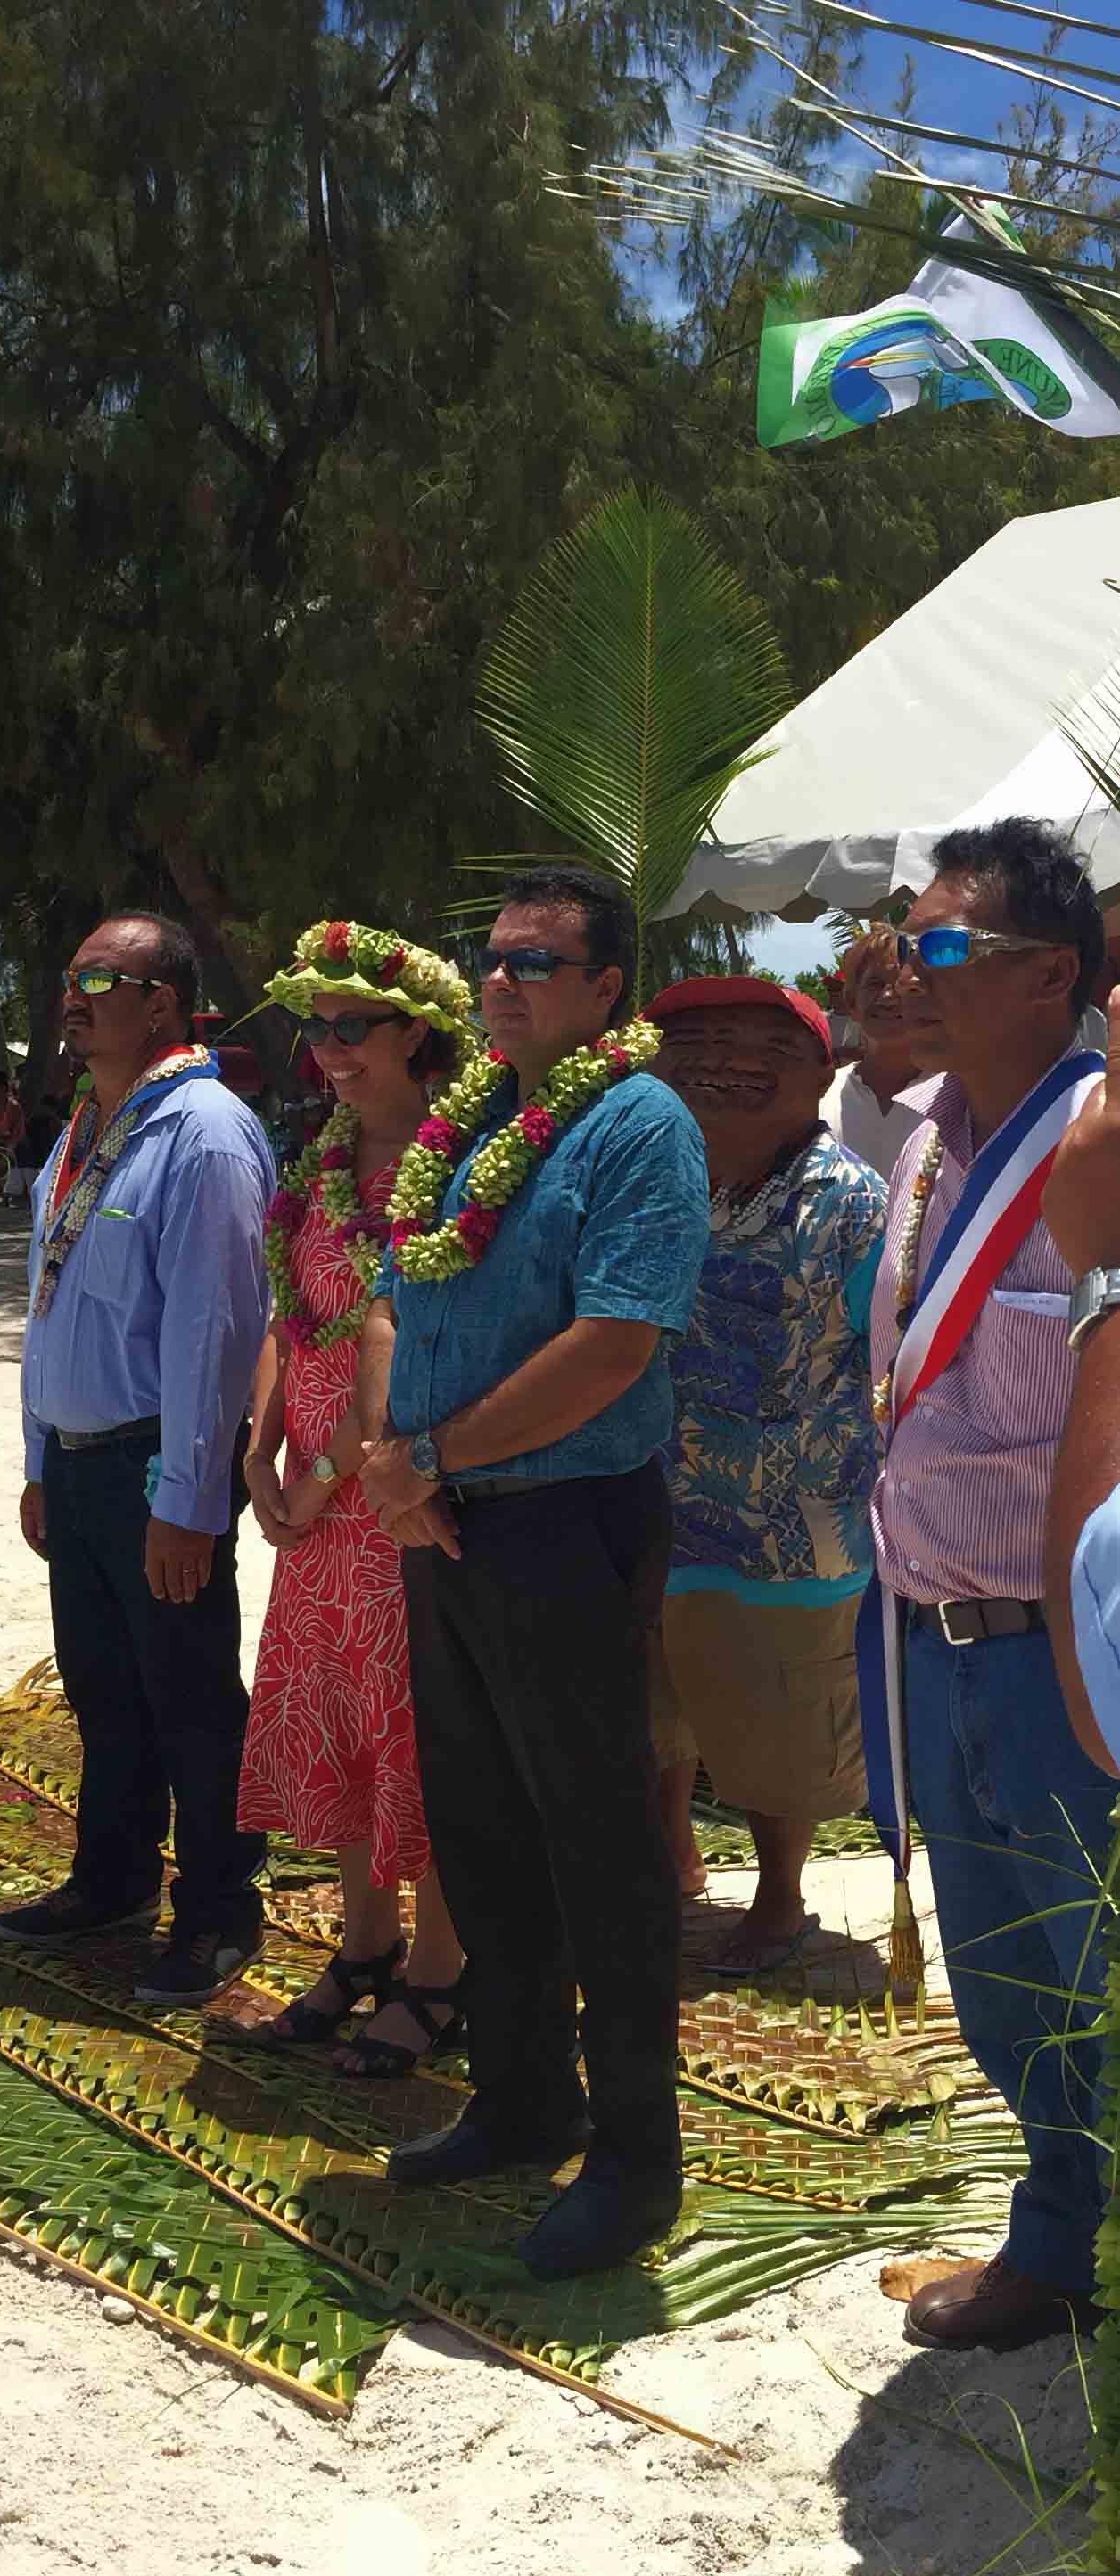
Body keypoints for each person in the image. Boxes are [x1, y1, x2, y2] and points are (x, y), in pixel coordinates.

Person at [353, 865, 706, 2280]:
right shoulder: (468, 1122)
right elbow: (395, 1294)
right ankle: (515, 2098)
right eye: (487, 960)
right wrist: (391, 1458)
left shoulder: (639, 1123)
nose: (497, 982)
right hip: (440, 1513)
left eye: (534, 964)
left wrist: (426, 1457)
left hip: (564, 1515)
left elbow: (613, 1343)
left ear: (606, 988)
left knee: (595, 1842)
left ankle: (631, 2159)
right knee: (479, 1820)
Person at [861, 820, 1120, 2352]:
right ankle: (1051, 2234)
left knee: (1097, 1960)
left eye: (942, 944)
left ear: (1043, 976)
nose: (905, 963)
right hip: (931, 1633)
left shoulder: (1099, 1146)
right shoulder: (916, 1146)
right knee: (1000, 1974)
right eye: (906, 934)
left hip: (1061, 1659)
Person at [0, 915, 277, 2004]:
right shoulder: (84, 1129)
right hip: (77, 1460)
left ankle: (217, 1910)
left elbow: (217, 1331)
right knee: (102, 1686)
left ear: (163, 1002)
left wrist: (192, 1500)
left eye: (99, 978)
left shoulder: (203, 1133)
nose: (74, 995)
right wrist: (35, 1460)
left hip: (157, 1465)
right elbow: (54, 1305)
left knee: (190, 1696)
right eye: (69, 976)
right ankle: (111, 1877)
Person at [234, 925, 470, 2077]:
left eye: (346, 1026)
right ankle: (362, 1944)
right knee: (332, 1706)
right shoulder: (317, 1161)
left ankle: (440, 1969)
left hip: (389, 1482)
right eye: (310, 1027)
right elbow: (293, 1312)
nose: (321, 1048)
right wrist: (257, 1444)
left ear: (412, 1031)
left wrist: (325, 1467)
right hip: (310, 1497)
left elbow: (401, 1337)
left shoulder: (456, 1161)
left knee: (409, 1722)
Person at [643, 975, 885, 1977]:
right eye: (695, 1039)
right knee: (659, 1701)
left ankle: (781, 1899)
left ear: (821, 1072)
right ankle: (672, 1864)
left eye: (761, 1042)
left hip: (794, 1518)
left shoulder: (854, 1203)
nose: (725, 1058)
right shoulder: (645, 1174)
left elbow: (894, 1358)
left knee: (781, 1716)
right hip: (654, 1498)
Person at [830, 928, 938, 1187]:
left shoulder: (955, 1097)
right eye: (874, 984)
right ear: (852, 1004)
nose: (888, 997)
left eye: (899, 983)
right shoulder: (820, 1096)